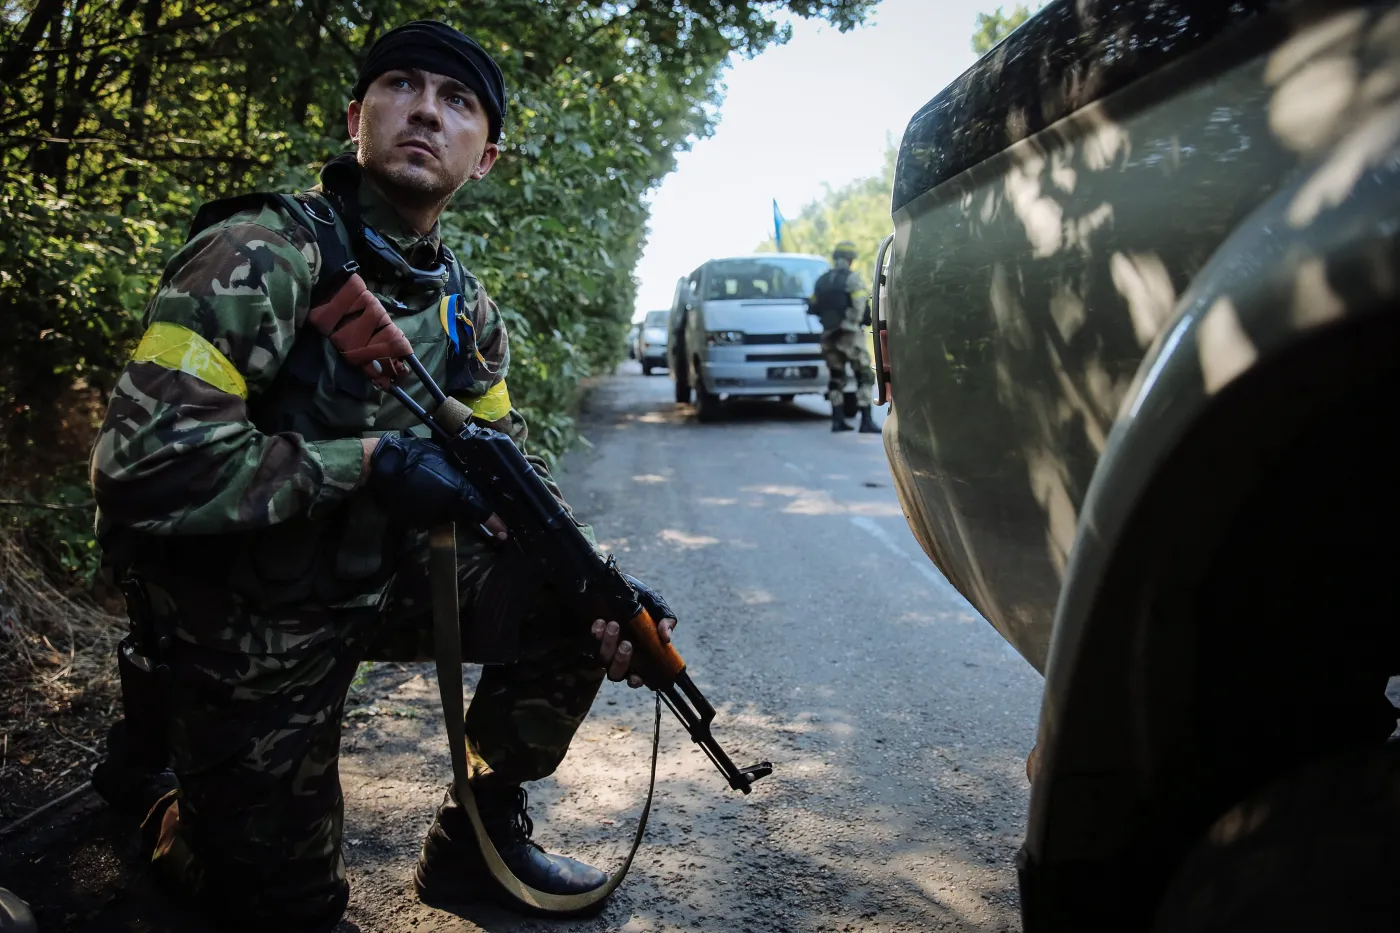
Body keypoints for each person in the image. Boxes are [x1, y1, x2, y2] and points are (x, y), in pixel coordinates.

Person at [87, 21, 676, 932]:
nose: (427, 114)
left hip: (379, 579)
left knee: (568, 601)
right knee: (287, 907)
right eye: (403, 88)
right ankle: (179, 810)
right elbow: (143, 467)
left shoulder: (464, 307)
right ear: (357, 117)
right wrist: (365, 463)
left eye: (459, 102)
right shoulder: (260, 252)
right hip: (248, 611)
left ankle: (476, 842)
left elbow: (510, 476)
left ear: (484, 159)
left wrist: (603, 586)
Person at [808, 241, 878, 433]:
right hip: (849, 335)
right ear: (850, 259)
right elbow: (859, 304)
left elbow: (813, 306)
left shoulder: (821, 281)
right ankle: (866, 421)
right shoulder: (851, 279)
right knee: (864, 376)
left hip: (828, 335)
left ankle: (837, 421)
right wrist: (851, 324)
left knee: (836, 378)